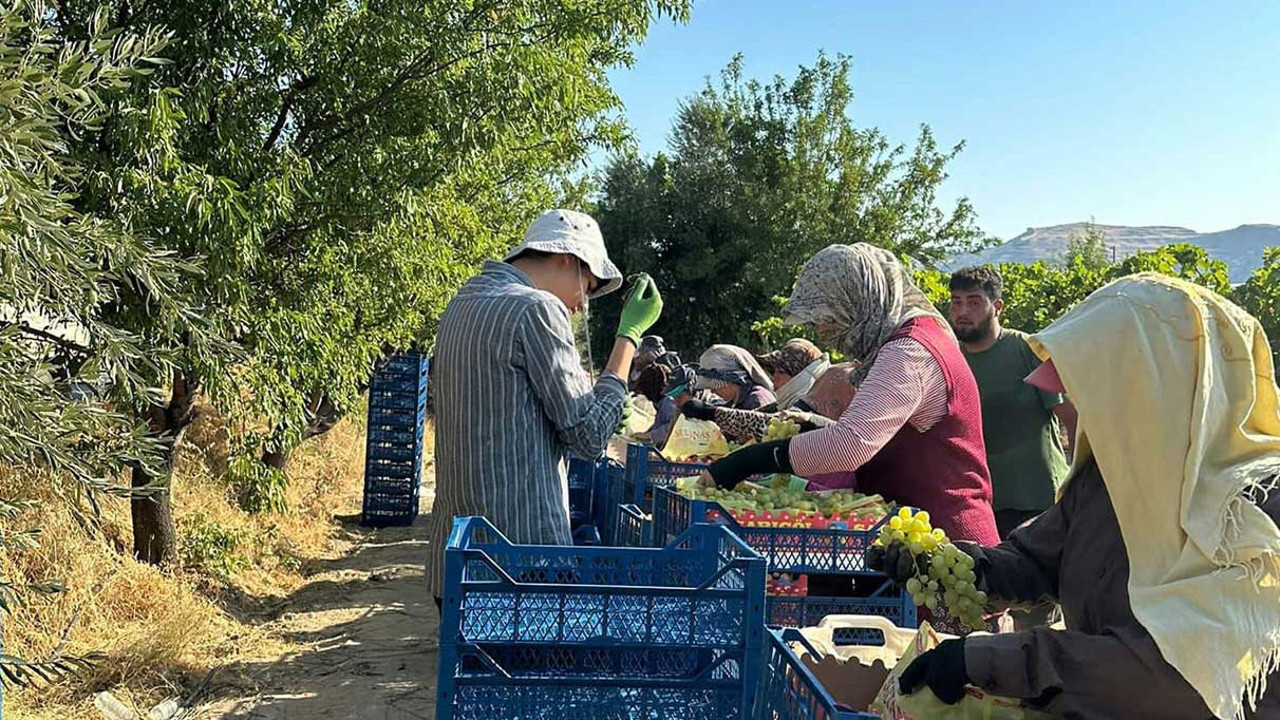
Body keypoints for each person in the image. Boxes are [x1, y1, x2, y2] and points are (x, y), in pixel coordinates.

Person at [887, 274, 1280, 719]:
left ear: (1161, 389)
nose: (1087, 410)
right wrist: (955, 566)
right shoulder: (1110, 477)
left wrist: (991, 660)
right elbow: (1038, 560)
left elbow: (1182, 674)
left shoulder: (1254, 507)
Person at [425, 209, 663, 610]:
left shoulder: (463, 303)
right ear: (567, 258)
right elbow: (589, 437)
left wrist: (599, 400)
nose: (582, 305)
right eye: (587, 287)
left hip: (456, 561)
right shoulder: (536, 308)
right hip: (521, 561)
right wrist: (628, 338)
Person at [703, 243, 999, 546]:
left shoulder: (908, 351)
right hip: (913, 536)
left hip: (946, 539)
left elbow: (851, 445)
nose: (821, 330)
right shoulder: (914, 338)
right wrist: (817, 426)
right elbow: (875, 433)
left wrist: (745, 462)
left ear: (860, 300)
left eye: (829, 316)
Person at [948, 266, 1074, 539]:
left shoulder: (1028, 349)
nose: (963, 311)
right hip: (980, 506)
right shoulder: (951, 360)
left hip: (1040, 504)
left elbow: (1071, 417)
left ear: (997, 307)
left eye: (974, 302)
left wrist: (1078, 487)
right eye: (956, 302)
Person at [692, 344, 777, 410]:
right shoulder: (734, 401)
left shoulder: (756, 400)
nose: (712, 391)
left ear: (732, 380)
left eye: (714, 387)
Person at [757, 338, 829, 411]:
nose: (775, 377)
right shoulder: (778, 407)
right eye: (773, 371)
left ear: (799, 378)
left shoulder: (806, 412)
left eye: (781, 372)